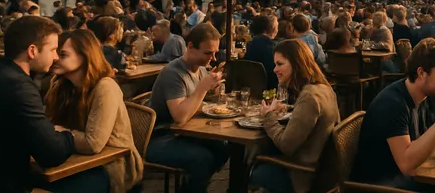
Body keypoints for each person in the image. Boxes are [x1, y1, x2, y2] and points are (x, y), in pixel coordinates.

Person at [0, 16, 75, 192]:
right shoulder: (19, 86)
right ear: (32, 51)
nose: (56, 57)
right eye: (53, 50)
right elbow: (51, 153)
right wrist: (67, 136)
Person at [350, 38, 435, 190]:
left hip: (409, 175)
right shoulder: (392, 104)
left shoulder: (427, 95)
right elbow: (407, 165)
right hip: (380, 185)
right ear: (421, 73)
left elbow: (422, 141)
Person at [45, 30, 142, 192]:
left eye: (63, 55)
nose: (55, 58)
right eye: (55, 53)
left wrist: (62, 132)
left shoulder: (105, 87)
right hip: (74, 159)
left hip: (112, 166)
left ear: (85, 56)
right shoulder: (60, 85)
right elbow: (48, 124)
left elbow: (92, 144)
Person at [146, 23, 230, 193]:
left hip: (183, 133)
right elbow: (180, 116)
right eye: (208, 53)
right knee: (202, 159)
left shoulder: (200, 70)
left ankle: (192, 187)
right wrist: (202, 88)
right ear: (190, 46)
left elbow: (196, 105)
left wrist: (213, 92)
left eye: (215, 53)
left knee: (224, 148)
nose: (213, 58)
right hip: (157, 137)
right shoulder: (173, 73)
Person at [251, 39, 340, 193]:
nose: (274, 70)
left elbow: (286, 146)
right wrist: (291, 108)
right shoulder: (323, 87)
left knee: (253, 165)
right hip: (323, 169)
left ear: (297, 64)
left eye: (280, 64)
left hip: (302, 175)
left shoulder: (309, 97)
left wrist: (268, 115)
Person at [244, 15, 279, 89]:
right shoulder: (277, 49)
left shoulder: (250, 45)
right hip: (271, 89)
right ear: (273, 30)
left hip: (249, 87)